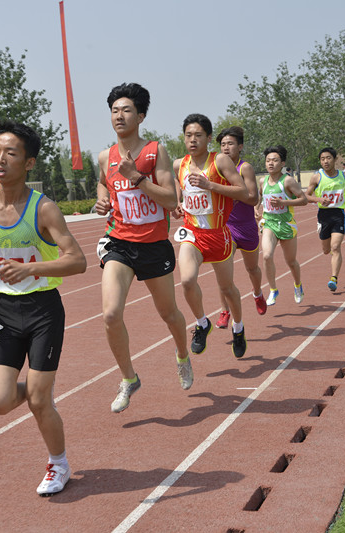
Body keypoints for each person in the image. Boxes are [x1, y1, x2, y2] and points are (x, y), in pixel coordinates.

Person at [0, 120, 86, 496]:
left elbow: (78, 261)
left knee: (37, 400)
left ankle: (59, 464)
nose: (0, 160)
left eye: (11, 153)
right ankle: (39, 388)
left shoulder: (44, 210)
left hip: (43, 312)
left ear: (29, 162)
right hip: (4, 313)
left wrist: (31, 267)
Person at [94, 83, 192, 413]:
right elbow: (104, 183)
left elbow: (170, 199)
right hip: (119, 243)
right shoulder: (105, 156)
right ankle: (128, 378)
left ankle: (182, 354)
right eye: (114, 111)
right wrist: (102, 200)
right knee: (110, 314)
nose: (119, 116)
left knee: (170, 314)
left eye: (126, 110)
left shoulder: (155, 152)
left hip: (153, 246)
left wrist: (136, 177)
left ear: (141, 116)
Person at [172, 114, 249, 359]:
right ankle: (202, 323)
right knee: (186, 280)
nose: (192, 140)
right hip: (192, 233)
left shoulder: (221, 161)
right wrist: (177, 202)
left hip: (218, 235)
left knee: (227, 288)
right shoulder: (179, 164)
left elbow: (243, 191)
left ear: (207, 138)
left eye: (198, 135)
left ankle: (238, 328)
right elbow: (178, 187)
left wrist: (210, 185)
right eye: (188, 135)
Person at [213, 126, 265, 330]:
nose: (226, 148)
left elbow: (253, 199)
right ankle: (224, 311)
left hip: (247, 227)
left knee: (252, 268)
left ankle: (258, 292)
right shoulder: (215, 169)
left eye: (230, 144)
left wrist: (229, 192)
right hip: (226, 228)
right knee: (223, 271)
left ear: (240, 146)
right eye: (223, 144)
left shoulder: (245, 168)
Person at [258, 145, 307, 305]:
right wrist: (255, 209)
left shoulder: (287, 181)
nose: (271, 163)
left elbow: (303, 199)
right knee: (266, 255)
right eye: (268, 160)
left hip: (286, 224)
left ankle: (298, 285)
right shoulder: (262, 181)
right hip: (269, 223)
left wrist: (283, 202)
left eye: (275, 160)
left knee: (291, 262)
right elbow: (259, 197)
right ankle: (273, 289)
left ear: (282, 163)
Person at [305, 147, 345, 291]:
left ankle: (333, 278)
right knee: (326, 249)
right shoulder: (317, 177)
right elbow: (306, 196)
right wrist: (318, 199)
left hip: (338, 214)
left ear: (335, 159)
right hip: (323, 216)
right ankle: (331, 253)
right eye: (322, 159)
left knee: (336, 247)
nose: (325, 161)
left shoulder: (344, 175)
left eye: (328, 158)